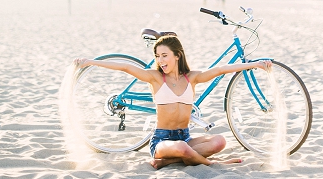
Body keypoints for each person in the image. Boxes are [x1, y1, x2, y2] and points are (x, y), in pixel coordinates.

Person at [74, 32, 271, 169]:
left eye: (164, 55)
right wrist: (91, 62)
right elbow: (125, 68)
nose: (160, 60)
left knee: (220, 141)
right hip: (161, 141)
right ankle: (211, 163)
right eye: (158, 56)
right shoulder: (156, 78)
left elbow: (220, 70)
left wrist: (256, 65)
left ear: (177, 56)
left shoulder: (191, 78)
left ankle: (168, 162)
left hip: (184, 136)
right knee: (183, 148)